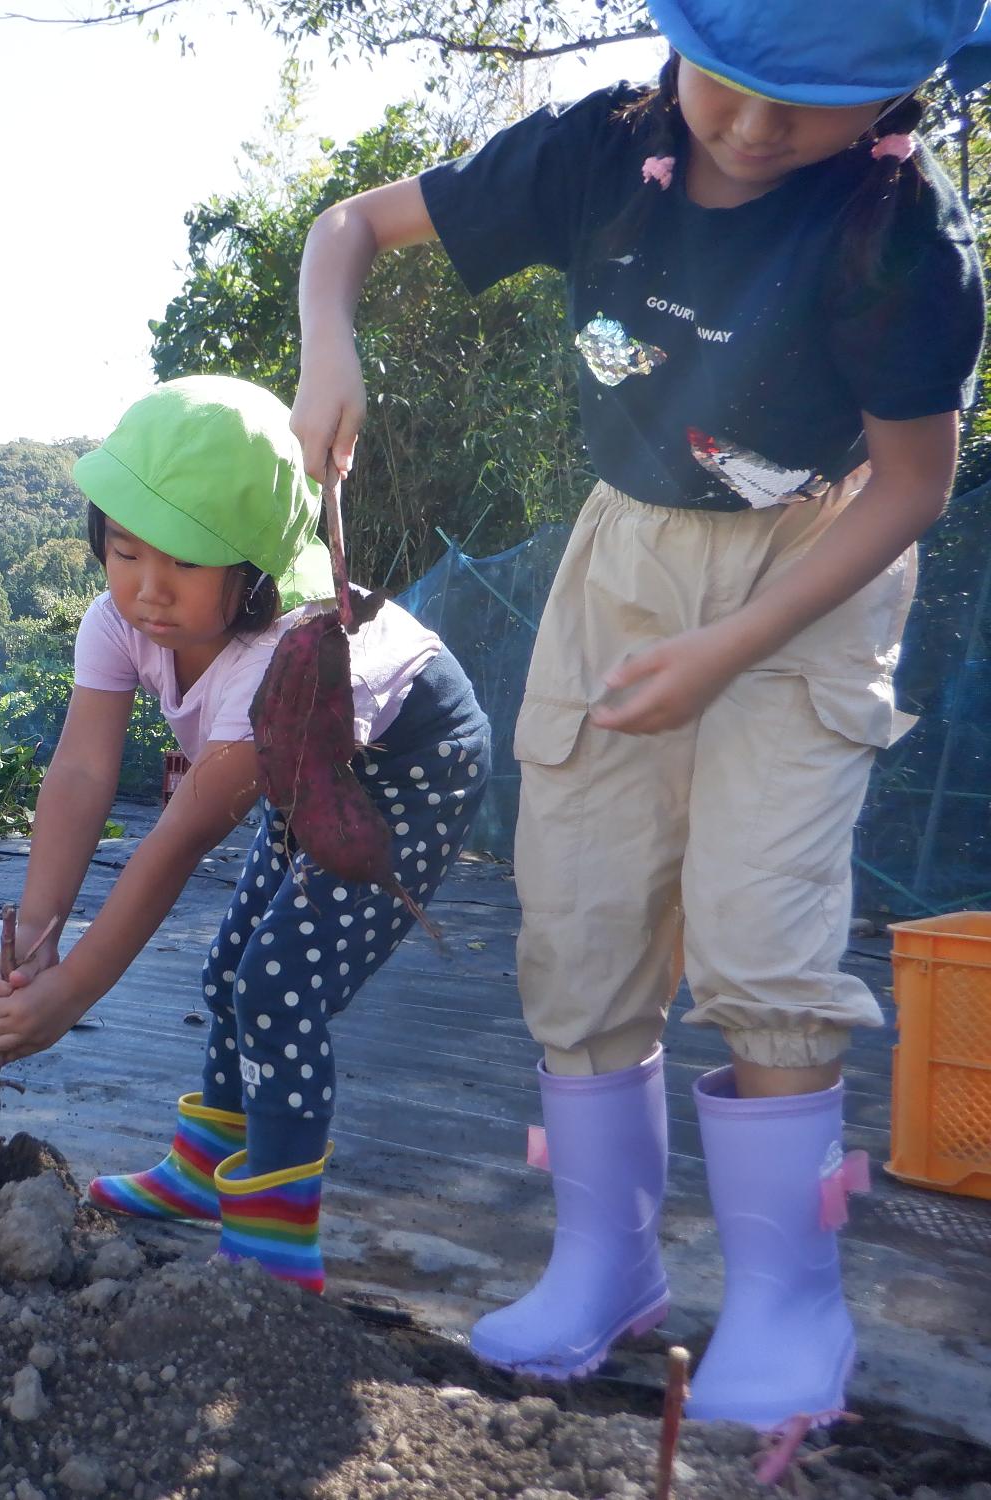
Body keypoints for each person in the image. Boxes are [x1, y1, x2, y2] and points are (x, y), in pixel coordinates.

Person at [288, 0, 989, 1431]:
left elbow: (914, 485)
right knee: (584, 907)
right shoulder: (600, 153)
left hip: (817, 553)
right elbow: (346, 231)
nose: (744, 127)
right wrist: (326, 346)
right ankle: (601, 1262)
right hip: (626, 555)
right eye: (725, 80)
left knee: (759, 929)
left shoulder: (901, 237)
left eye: (805, 105)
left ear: (895, 96)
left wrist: (732, 645)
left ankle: (792, 1301)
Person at [0, 376, 490, 1292]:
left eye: (184, 563)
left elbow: (181, 835)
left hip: (408, 768)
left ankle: (277, 1245)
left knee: (278, 982)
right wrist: (39, 944)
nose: (147, 589)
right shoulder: (116, 620)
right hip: (303, 771)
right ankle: (205, 1169)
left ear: (251, 571)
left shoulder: (275, 655)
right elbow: (83, 773)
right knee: (228, 967)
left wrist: (72, 995)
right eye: (123, 552)